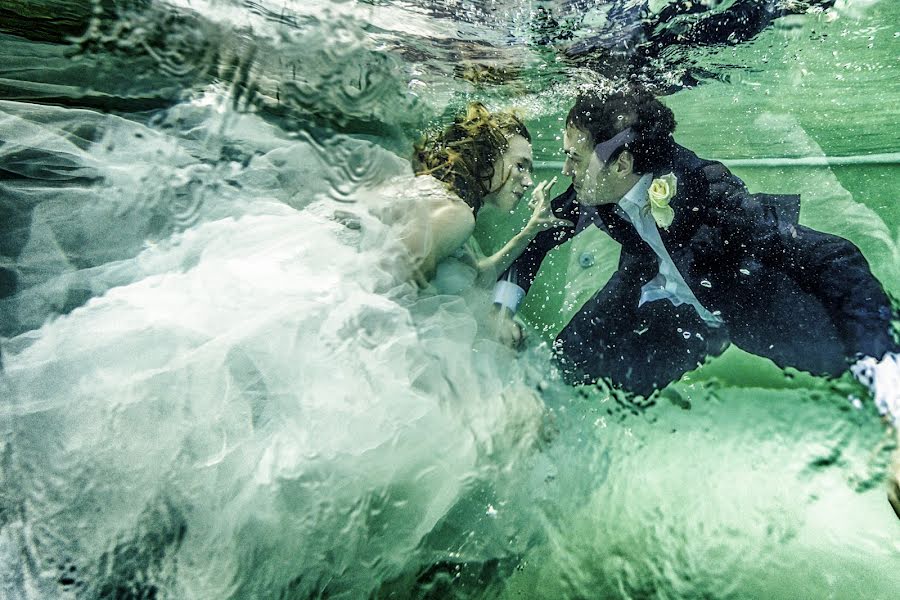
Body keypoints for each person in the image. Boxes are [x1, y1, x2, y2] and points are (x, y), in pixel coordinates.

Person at [491, 86, 900, 403]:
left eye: (575, 159)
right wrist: (503, 310)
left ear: (622, 164)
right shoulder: (594, 189)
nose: (566, 170)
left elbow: (834, 257)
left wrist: (887, 382)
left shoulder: (708, 193)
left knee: (836, 360)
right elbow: (538, 236)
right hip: (661, 298)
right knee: (569, 359)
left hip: (741, 303)